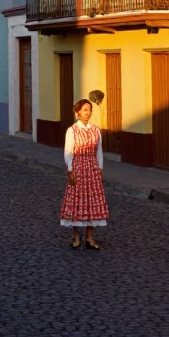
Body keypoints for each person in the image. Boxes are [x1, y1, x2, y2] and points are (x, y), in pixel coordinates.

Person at [60, 99, 109, 250]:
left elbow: (99, 151)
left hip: (92, 169)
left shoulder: (95, 130)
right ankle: (75, 235)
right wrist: (70, 169)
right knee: (77, 200)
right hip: (79, 168)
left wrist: (100, 168)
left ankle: (90, 237)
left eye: (89, 110)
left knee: (92, 202)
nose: (88, 113)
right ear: (77, 112)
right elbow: (68, 151)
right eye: (84, 110)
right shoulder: (72, 130)